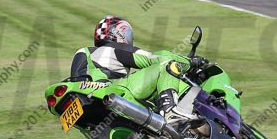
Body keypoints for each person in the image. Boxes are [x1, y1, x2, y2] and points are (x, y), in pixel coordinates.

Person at [69, 17, 202, 117]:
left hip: (86, 101)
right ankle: (170, 112)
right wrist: (191, 62)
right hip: (110, 90)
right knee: (166, 66)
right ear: (119, 34)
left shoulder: (85, 54)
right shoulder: (111, 49)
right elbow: (155, 58)